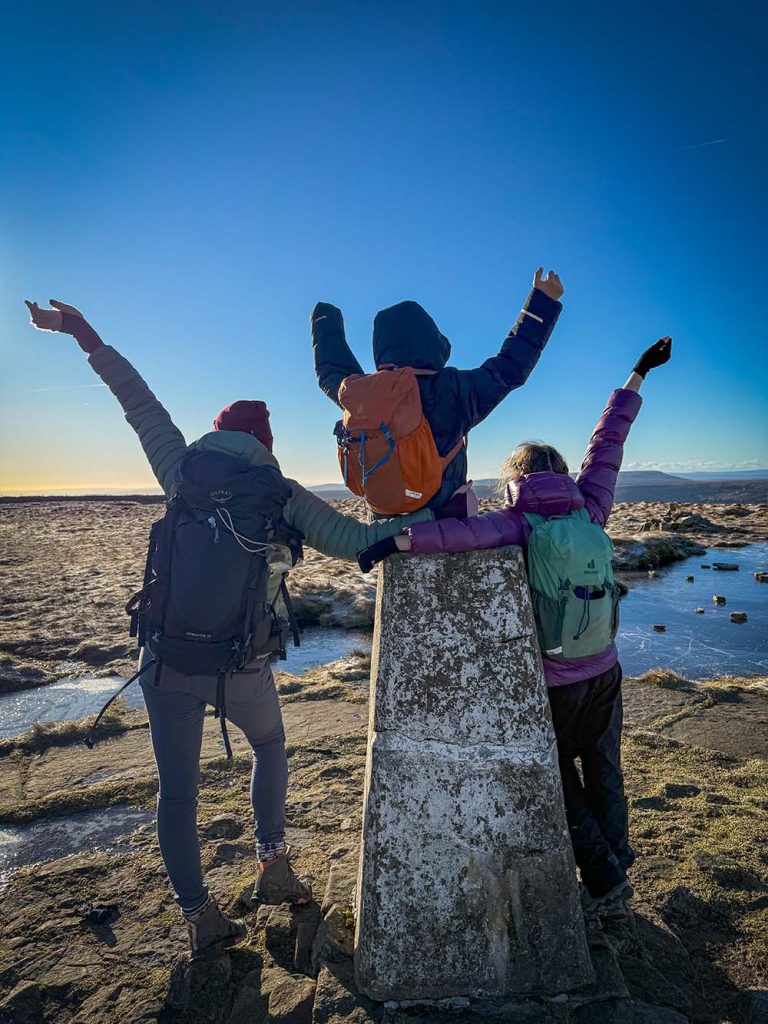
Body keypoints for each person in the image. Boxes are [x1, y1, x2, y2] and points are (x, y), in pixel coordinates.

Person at [25, 298, 434, 956]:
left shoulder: (180, 468)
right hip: (241, 667)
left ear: (214, 434)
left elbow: (135, 399)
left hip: (164, 663)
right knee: (269, 745)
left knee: (177, 795)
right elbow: (361, 542)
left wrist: (81, 332)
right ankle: (272, 864)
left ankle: (199, 918)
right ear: (265, 446)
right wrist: (447, 521)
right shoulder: (281, 494)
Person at [359, 337, 673, 912]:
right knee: (605, 768)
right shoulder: (590, 509)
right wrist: (637, 375)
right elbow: (609, 444)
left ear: (514, 479)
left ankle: (606, 881)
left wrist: (396, 541)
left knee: (559, 777)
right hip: (604, 668)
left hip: (552, 681)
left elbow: (458, 536)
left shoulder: (516, 522)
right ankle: (618, 865)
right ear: (563, 474)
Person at [311, 267, 564, 515]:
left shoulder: (366, 396)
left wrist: (324, 322)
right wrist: (542, 302)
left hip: (384, 521)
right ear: (433, 341)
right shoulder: (455, 388)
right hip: (445, 519)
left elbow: (331, 369)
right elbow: (510, 367)